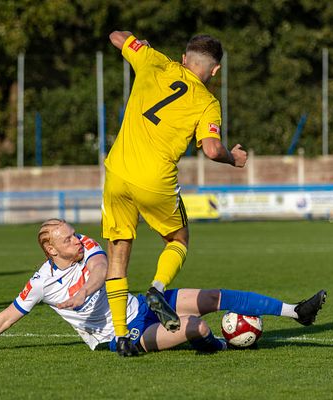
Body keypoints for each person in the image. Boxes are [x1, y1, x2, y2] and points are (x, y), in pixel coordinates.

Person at [0, 219, 327, 355]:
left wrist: (85, 291)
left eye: (74, 234)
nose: (76, 240)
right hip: (119, 334)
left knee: (213, 296)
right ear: (50, 249)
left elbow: (102, 270)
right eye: (67, 239)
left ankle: (296, 311)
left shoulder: (87, 247)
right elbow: (7, 317)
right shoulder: (40, 283)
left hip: (139, 306)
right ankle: (225, 344)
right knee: (199, 327)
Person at [102, 31, 248, 355]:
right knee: (178, 240)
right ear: (215, 70)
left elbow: (116, 36)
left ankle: (122, 336)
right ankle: (157, 288)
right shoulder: (207, 102)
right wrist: (233, 158)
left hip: (117, 173)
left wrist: (140, 46)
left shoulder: (154, 61)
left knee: (118, 250)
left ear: (184, 58)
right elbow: (212, 149)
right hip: (154, 179)